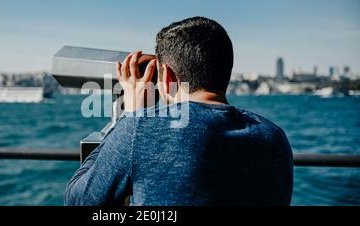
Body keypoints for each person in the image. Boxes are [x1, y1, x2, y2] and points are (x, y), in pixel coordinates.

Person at [65, 16, 293, 206]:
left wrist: (129, 117)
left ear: (167, 77)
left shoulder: (139, 129)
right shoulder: (274, 137)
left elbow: (78, 200)